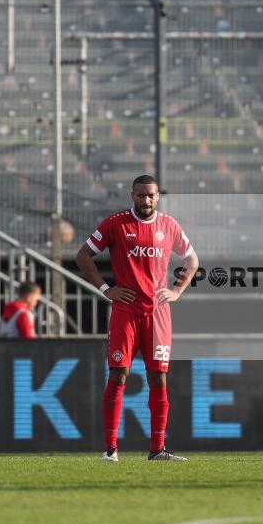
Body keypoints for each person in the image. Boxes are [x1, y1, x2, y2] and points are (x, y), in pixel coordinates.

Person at [76, 175, 199, 462]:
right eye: (142, 195)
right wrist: (107, 289)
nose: (147, 200)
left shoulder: (169, 225)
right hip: (126, 312)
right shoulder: (116, 224)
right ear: (132, 196)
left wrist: (177, 291)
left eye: (152, 196)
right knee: (119, 374)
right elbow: (83, 256)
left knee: (159, 378)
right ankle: (110, 449)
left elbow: (192, 260)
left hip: (158, 314)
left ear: (158, 197)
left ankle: (157, 449)